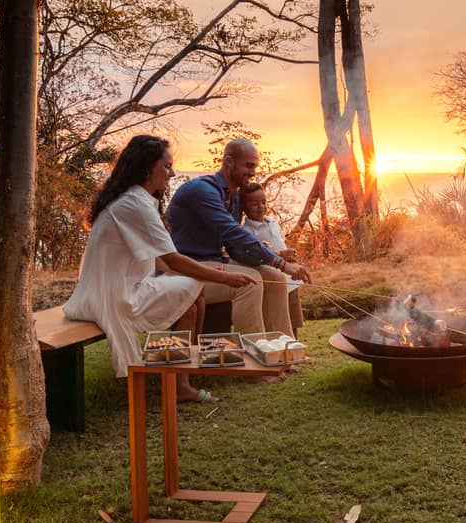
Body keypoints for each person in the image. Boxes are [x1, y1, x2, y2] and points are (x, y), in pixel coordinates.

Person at [63, 134, 254, 403]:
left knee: (191, 296)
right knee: (192, 289)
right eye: (166, 166)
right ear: (147, 168)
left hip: (119, 287)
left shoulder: (136, 200)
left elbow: (162, 260)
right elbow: (173, 260)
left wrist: (211, 273)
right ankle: (184, 379)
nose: (171, 173)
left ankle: (185, 373)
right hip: (113, 295)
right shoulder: (134, 204)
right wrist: (224, 278)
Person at [164, 138, 310, 336]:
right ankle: (255, 349)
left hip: (214, 265)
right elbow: (232, 231)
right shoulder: (202, 190)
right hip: (183, 268)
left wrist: (270, 255)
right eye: (248, 165)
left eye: (255, 167)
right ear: (229, 161)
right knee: (251, 282)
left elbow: (235, 248)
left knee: (276, 279)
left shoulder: (233, 199)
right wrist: (280, 263)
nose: (253, 172)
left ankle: (284, 348)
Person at [239, 184, 304, 338]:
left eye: (263, 202)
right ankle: (280, 346)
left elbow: (280, 243)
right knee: (276, 321)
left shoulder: (272, 222)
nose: (261, 207)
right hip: (273, 283)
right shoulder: (247, 232)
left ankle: (294, 346)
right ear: (243, 207)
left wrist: (289, 256)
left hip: (290, 282)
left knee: (293, 322)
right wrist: (281, 254)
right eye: (254, 204)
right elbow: (257, 257)